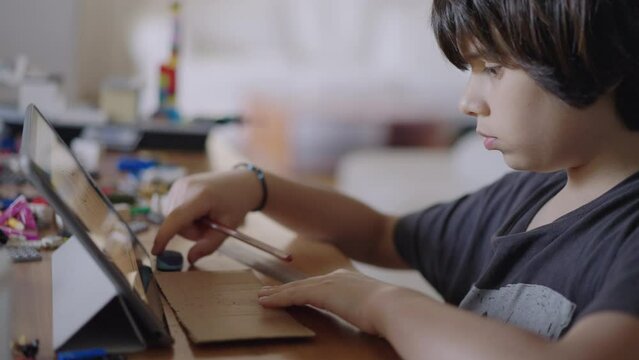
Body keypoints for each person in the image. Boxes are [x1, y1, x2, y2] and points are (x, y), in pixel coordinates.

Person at [152, 0, 639, 358]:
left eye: (492, 68)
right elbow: (382, 234)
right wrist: (256, 186)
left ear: (593, 53)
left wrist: (383, 304)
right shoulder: (532, 195)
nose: (468, 101)